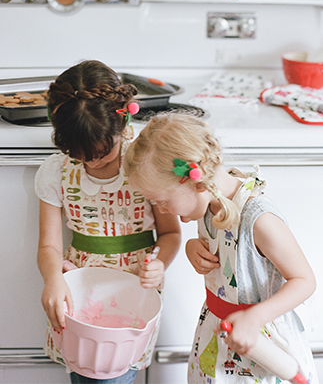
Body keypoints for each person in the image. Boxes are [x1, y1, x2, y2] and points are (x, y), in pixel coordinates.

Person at [123, 112, 318, 384]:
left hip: (260, 346)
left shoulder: (258, 219)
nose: (162, 210)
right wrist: (192, 246)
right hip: (218, 339)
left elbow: (304, 280)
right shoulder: (208, 206)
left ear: (196, 181)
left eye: (162, 201)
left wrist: (254, 318)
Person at [35, 60, 181, 384]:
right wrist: (52, 279)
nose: (92, 161)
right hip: (79, 291)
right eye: (80, 154)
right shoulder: (56, 171)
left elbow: (170, 233)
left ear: (123, 122)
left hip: (134, 291)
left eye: (102, 152)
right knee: (85, 368)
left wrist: (161, 263)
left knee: (115, 373)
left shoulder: (145, 162)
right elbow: (48, 244)